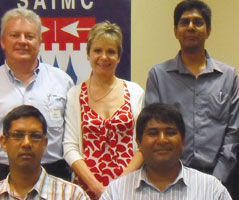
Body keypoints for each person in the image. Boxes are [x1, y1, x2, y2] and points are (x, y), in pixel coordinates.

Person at [144, 0, 239, 183]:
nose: (191, 27)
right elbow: (153, 132)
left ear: (208, 30)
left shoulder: (228, 77)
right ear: (175, 31)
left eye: (198, 22)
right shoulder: (158, 76)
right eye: (184, 22)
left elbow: (233, 137)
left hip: (218, 179)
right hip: (169, 180)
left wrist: (215, 182)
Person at [63, 21, 144, 199]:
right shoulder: (75, 95)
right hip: (85, 190)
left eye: (111, 51)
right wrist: (97, 188)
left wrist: (119, 186)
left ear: (119, 56)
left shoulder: (135, 92)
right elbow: (70, 147)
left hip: (128, 188)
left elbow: (143, 146)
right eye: (98, 50)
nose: (104, 57)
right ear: (88, 54)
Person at [0, 8, 74, 181]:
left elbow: (72, 138)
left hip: (55, 175)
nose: (22, 41)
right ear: (3, 41)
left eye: (29, 36)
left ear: (40, 42)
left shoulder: (62, 81)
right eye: (15, 35)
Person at [100, 103, 232, 200]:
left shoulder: (211, 190)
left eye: (170, 133)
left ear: (183, 140)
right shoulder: (116, 192)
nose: (162, 140)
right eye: (153, 133)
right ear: (139, 142)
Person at [0, 105, 89, 199]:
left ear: (44, 144)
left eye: (35, 136)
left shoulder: (72, 195)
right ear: (4, 142)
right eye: (18, 135)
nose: (26, 143)